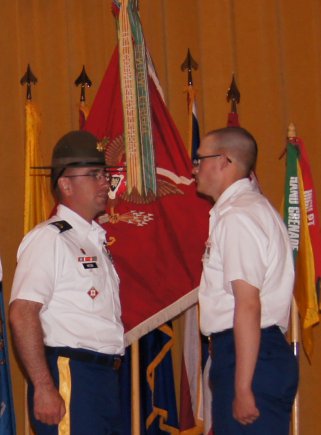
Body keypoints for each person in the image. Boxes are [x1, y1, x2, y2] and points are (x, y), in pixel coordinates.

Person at [10, 131, 124, 435]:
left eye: (104, 174)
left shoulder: (93, 241)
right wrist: (44, 386)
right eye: (94, 175)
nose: (104, 183)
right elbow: (22, 312)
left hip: (104, 377)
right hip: (71, 374)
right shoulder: (50, 239)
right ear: (65, 183)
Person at [193, 127, 299, 435]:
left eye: (200, 159)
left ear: (224, 161)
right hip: (251, 353)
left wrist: (243, 386)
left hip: (250, 356)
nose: (194, 168)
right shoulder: (248, 210)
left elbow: (248, 303)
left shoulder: (239, 216)